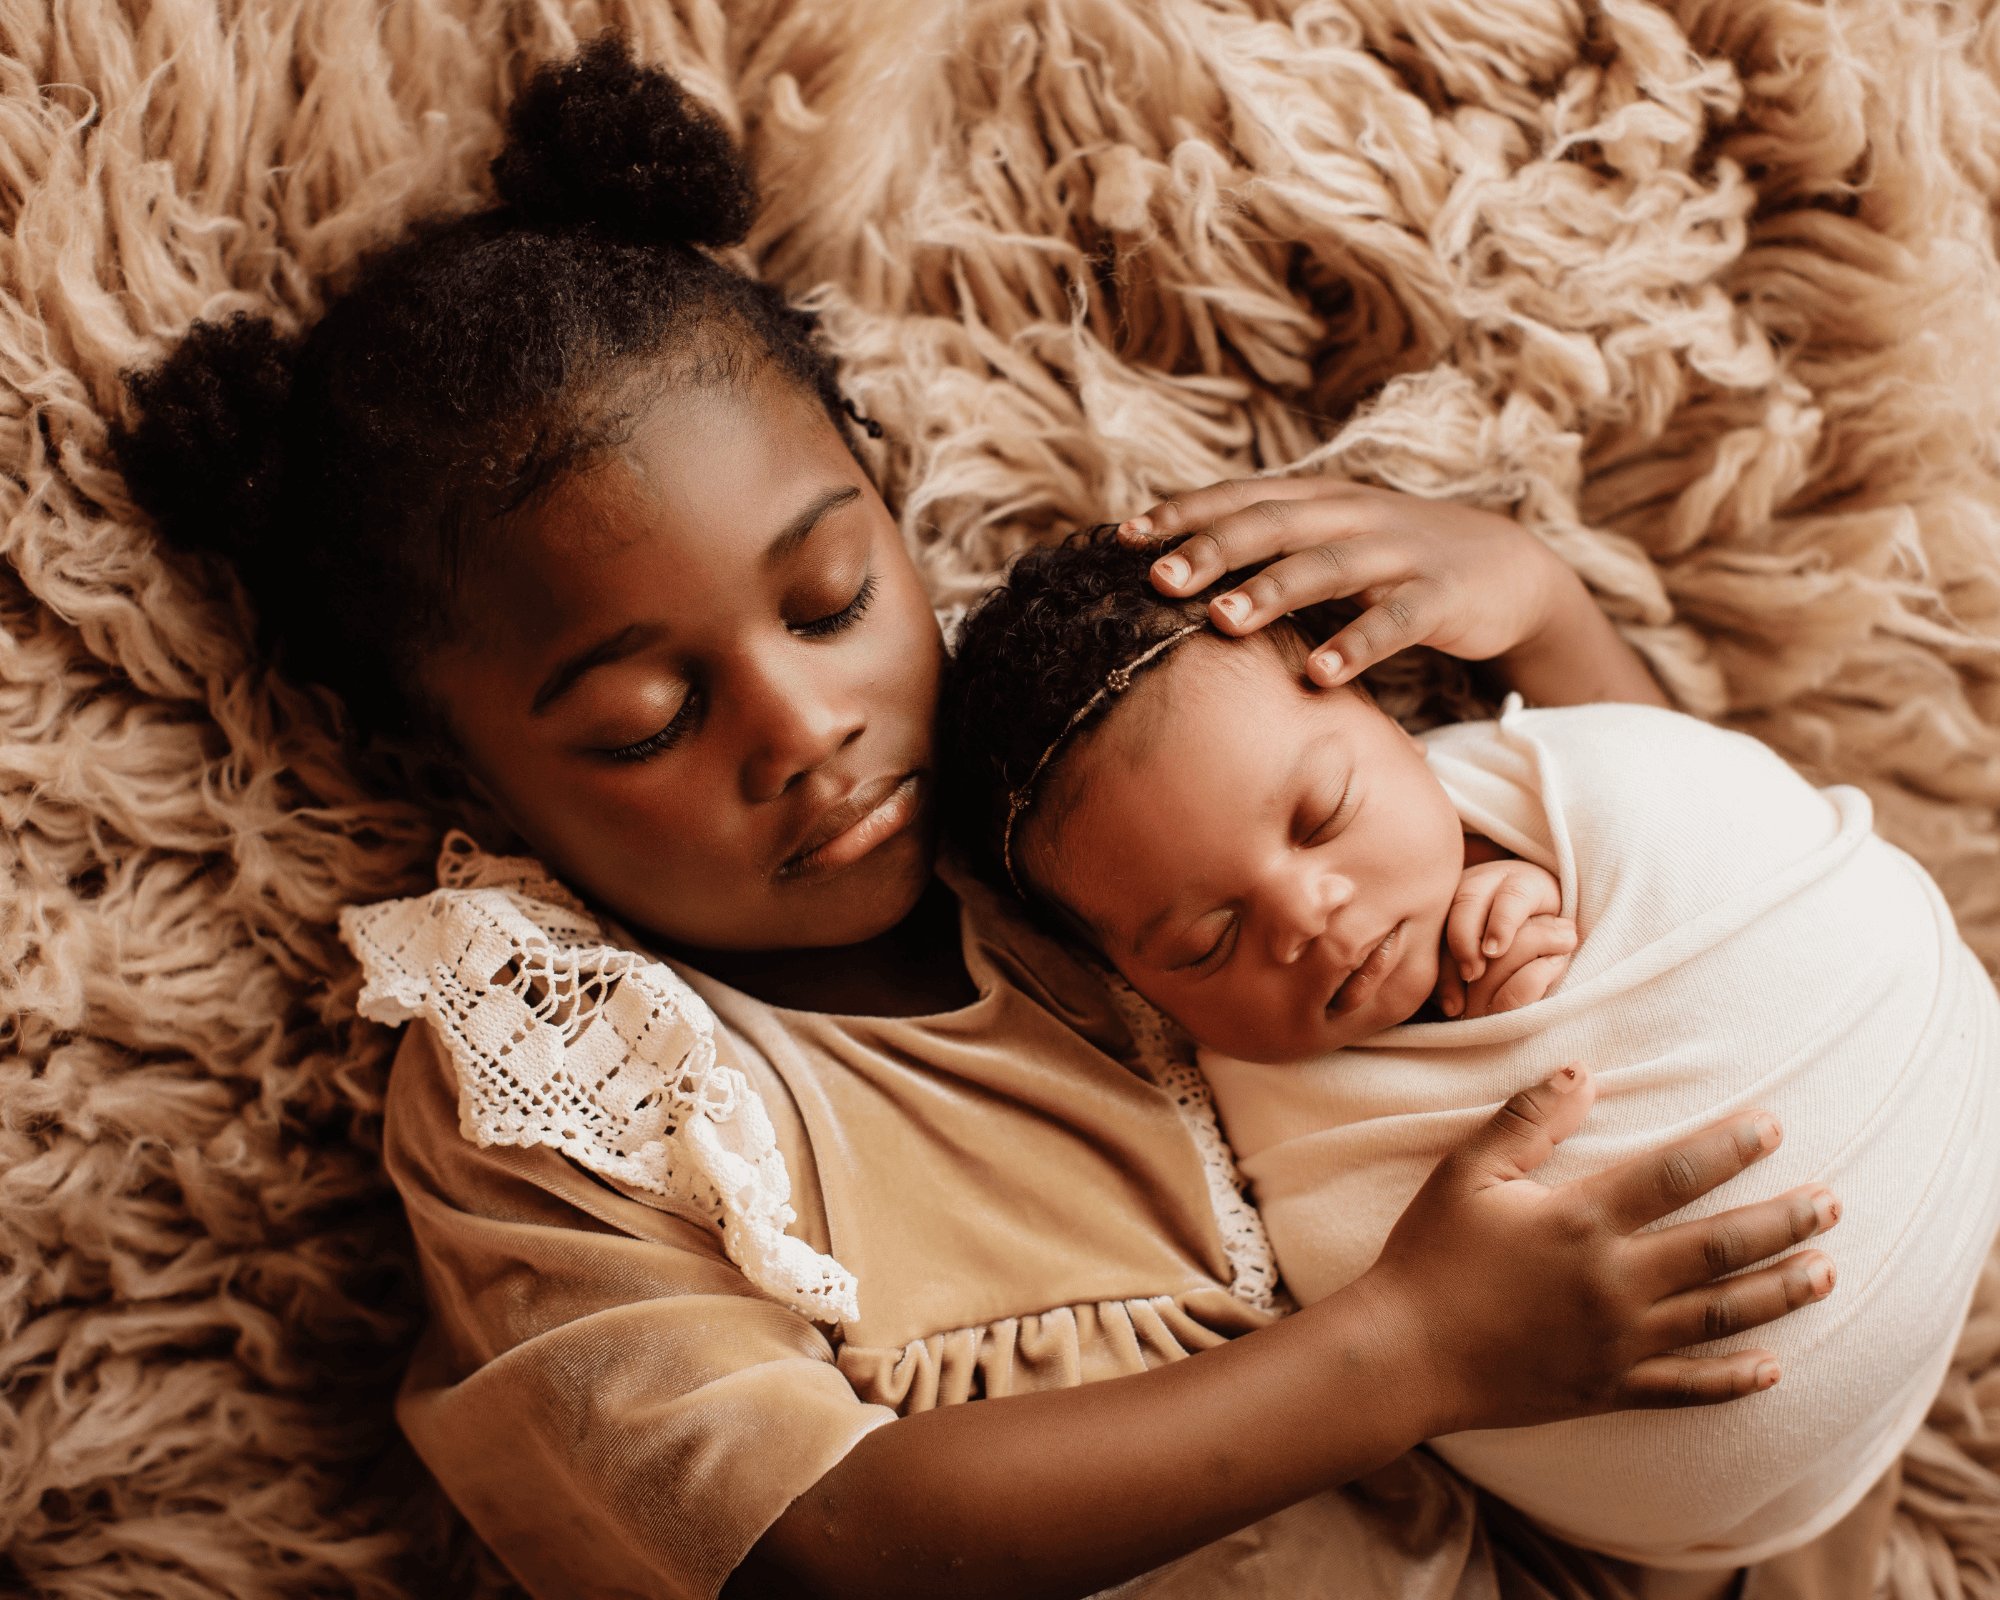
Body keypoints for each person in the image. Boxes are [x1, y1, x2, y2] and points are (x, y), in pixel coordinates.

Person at [110, 37, 1857, 1600]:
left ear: (888, 503)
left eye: (829, 602)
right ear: (464, 768)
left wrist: (1537, 609)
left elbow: (1678, 916)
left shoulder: (1098, 774)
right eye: (647, 721)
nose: (807, 731)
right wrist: (1403, 1355)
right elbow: (812, 1539)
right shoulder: (562, 1086)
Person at [939, 526, 2000, 1571]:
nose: (1305, 911)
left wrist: (1526, 869)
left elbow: (1680, 787)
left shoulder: (1524, 777)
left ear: (1386, 717)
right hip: (1667, 1537)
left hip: (1925, 1197)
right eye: (1206, 941)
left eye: (1322, 813)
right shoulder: (1226, 1110)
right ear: (1133, 986)